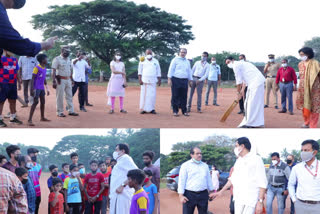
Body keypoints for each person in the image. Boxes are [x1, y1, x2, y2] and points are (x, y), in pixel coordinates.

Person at [213, 137, 267, 214]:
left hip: (250, 199)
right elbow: (232, 179)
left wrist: (260, 201)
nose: (235, 148)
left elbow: (262, 182)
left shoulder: (256, 159)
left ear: (242, 146)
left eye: (236, 146)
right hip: (238, 198)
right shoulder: (239, 161)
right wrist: (221, 191)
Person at [225, 56, 266, 128]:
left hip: (255, 83)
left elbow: (238, 81)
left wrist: (238, 93)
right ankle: (258, 122)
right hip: (258, 82)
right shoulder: (242, 65)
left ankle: (249, 123)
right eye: (226, 63)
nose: (228, 64)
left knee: (249, 103)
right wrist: (241, 91)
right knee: (255, 103)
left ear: (233, 60)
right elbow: (244, 81)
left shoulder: (236, 65)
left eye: (228, 62)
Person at [178, 147, 215, 214]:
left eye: (200, 153)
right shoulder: (185, 165)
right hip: (189, 195)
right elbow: (181, 181)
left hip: (203, 194)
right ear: (191, 155)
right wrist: (181, 195)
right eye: (197, 153)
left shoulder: (205, 166)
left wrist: (211, 191)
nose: (199, 155)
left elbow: (208, 179)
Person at [288, 139, 320, 214]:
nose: (303, 153)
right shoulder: (296, 168)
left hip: (318, 206)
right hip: (300, 205)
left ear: (314, 152)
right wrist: (294, 200)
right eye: (302, 150)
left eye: (306, 150)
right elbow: (291, 184)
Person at [110, 143, 138, 214]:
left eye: (116, 150)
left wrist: (122, 185)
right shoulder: (120, 161)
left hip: (123, 194)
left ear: (122, 151)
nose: (115, 152)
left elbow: (136, 173)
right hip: (116, 195)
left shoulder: (126, 158)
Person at [296, 47, 320, 128]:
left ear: (308, 54)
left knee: (315, 107)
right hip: (303, 89)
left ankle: (313, 125)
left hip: (314, 90)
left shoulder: (316, 63)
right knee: (304, 106)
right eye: (300, 55)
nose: (301, 56)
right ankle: (306, 122)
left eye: (302, 54)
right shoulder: (300, 64)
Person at [52, 46, 79, 117]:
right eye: (66, 52)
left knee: (69, 96)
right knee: (60, 96)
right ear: (62, 51)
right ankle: (59, 112)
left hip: (68, 80)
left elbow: (69, 70)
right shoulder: (57, 59)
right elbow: (54, 70)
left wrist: (72, 79)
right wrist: (53, 81)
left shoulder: (69, 59)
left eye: (68, 52)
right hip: (60, 80)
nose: (67, 53)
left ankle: (71, 111)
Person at [0, 50, 23, 127]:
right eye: (10, 49)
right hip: (3, 83)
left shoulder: (14, 60)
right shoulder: (1, 59)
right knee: (1, 101)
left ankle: (12, 118)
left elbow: (16, 71)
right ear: (5, 50)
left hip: (13, 83)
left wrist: (19, 82)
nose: (12, 51)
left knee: (13, 100)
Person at [168, 48, 193, 117]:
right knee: (175, 95)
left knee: (184, 96)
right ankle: (175, 111)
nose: (183, 53)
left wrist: (190, 80)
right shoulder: (175, 60)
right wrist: (169, 79)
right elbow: (171, 69)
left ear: (186, 53)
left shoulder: (187, 62)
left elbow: (189, 71)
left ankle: (184, 111)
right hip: (176, 79)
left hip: (184, 80)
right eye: (182, 52)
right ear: (179, 52)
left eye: (184, 52)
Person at [27, 53, 50, 126]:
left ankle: (42, 117)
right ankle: (29, 120)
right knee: (35, 102)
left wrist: (47, 88)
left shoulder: (45, 68)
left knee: (43, 102)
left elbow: (44, 79)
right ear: (42, 60)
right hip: (36, 88)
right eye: (46, 58)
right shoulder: (36, 67)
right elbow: (33, 78)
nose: (47, 60)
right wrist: (32, 89)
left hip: (41, 88)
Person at [138, 49, 161, 114]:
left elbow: (158, 71)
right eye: (148, 53)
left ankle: (152, 109)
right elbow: (139, 71)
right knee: (144, 95)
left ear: (152, 54)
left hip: (153, 80)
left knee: (152, 95)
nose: (149, 55)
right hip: (144, 80)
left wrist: (159, 80)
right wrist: (140, 79)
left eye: (150, 53)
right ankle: (143, 109)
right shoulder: (142, 60)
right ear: (145, 54)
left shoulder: (155, 61)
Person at [27, 148, 42, 214]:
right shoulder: (25, 166)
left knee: (36, 209)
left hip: (37, 191)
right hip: (28, 191)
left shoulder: (39, 166)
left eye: (36, 154)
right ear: (29, 155)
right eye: (33, 154)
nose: (35, 155)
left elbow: (37, 178)